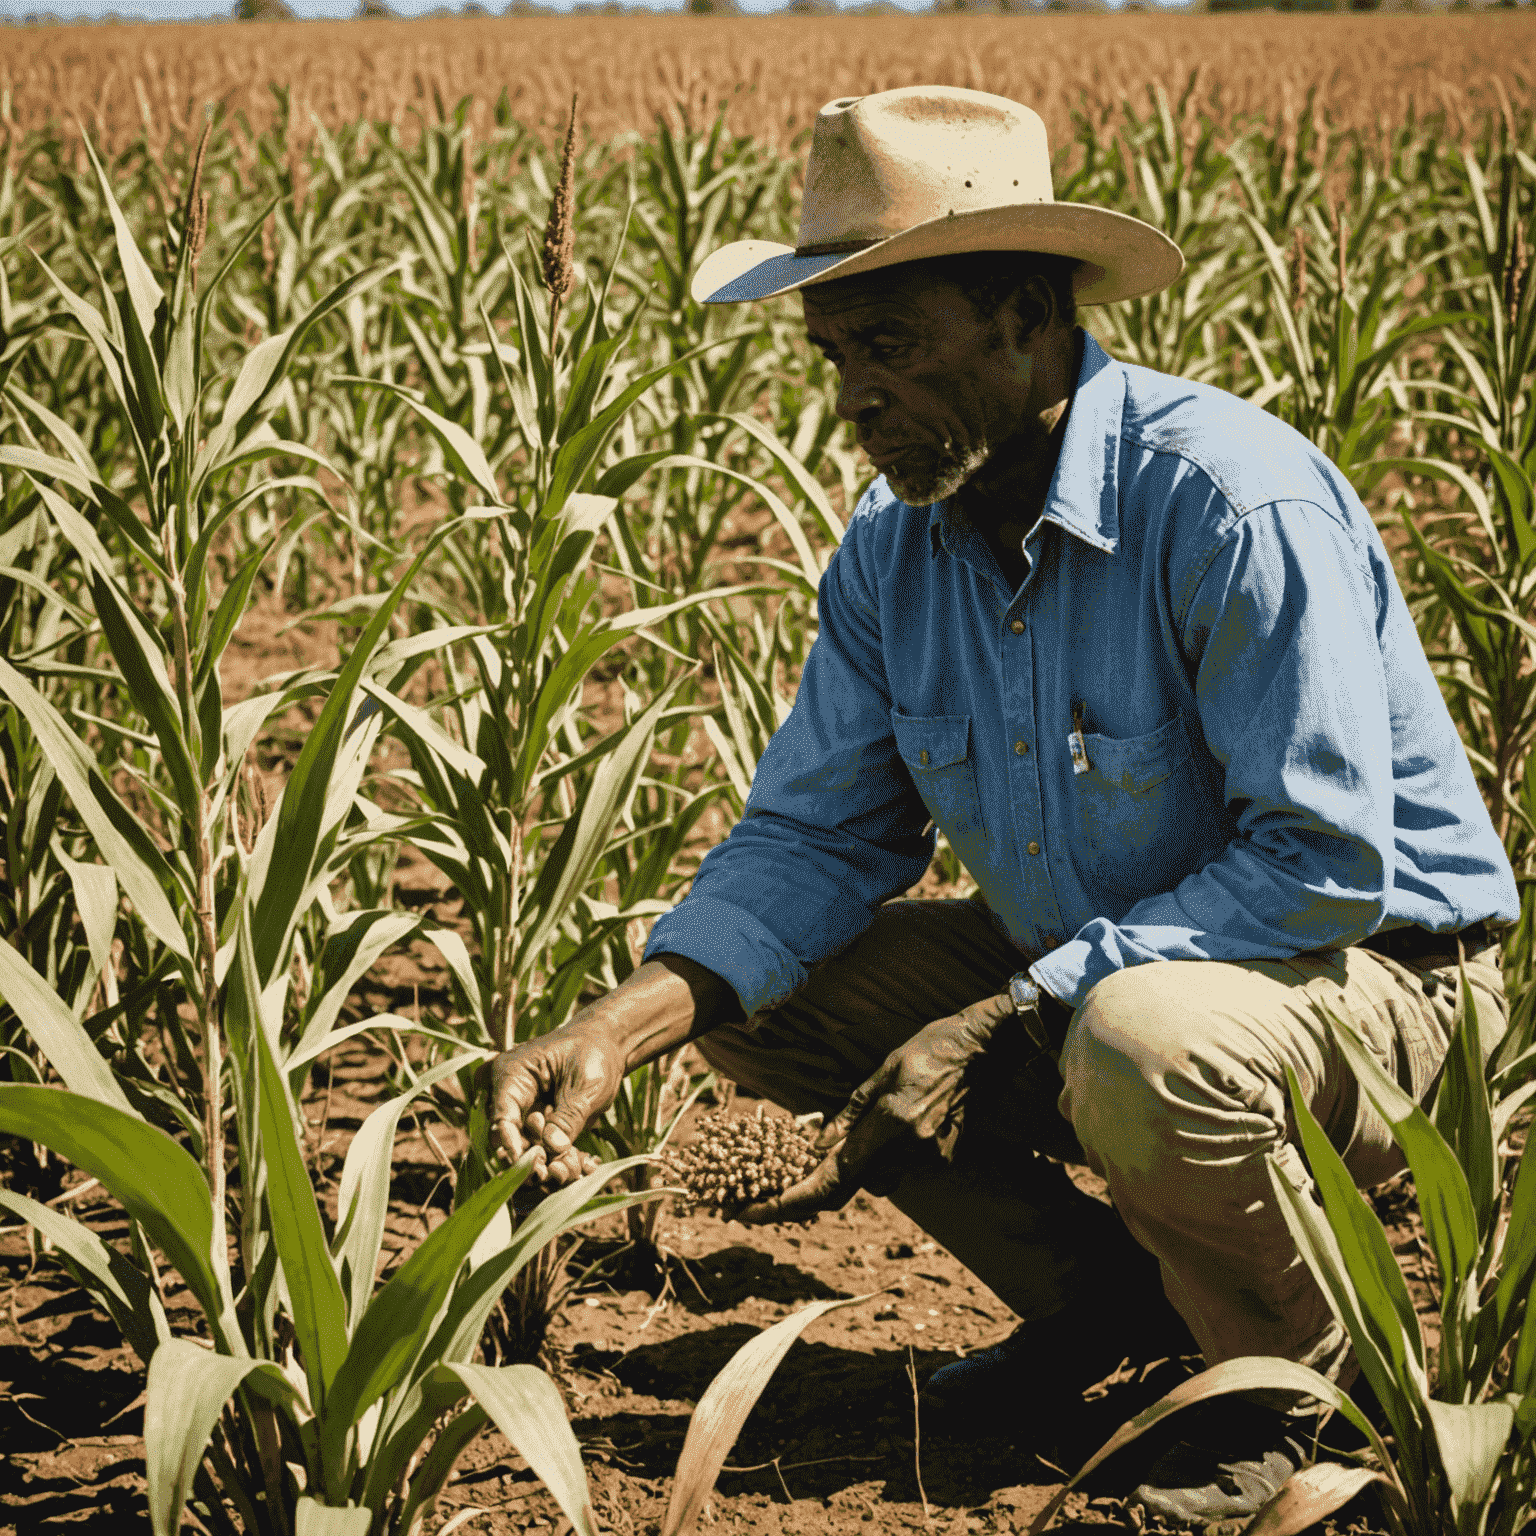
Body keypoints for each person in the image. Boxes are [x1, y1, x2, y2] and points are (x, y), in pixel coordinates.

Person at [488, 86, 1518, 1523]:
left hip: (1371, 985)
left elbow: (1322, 859)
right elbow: (814, 835)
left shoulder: (1227, 503)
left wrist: (1013, 1010)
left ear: (1029, 313)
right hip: (1107, 962)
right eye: (834, 355)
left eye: (892, 348)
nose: (852, 399)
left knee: (1143, 1041)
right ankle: (1117, 1311)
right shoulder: (893, 557)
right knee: (772, 1003)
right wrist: (626, 1021)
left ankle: (1292, 1389)